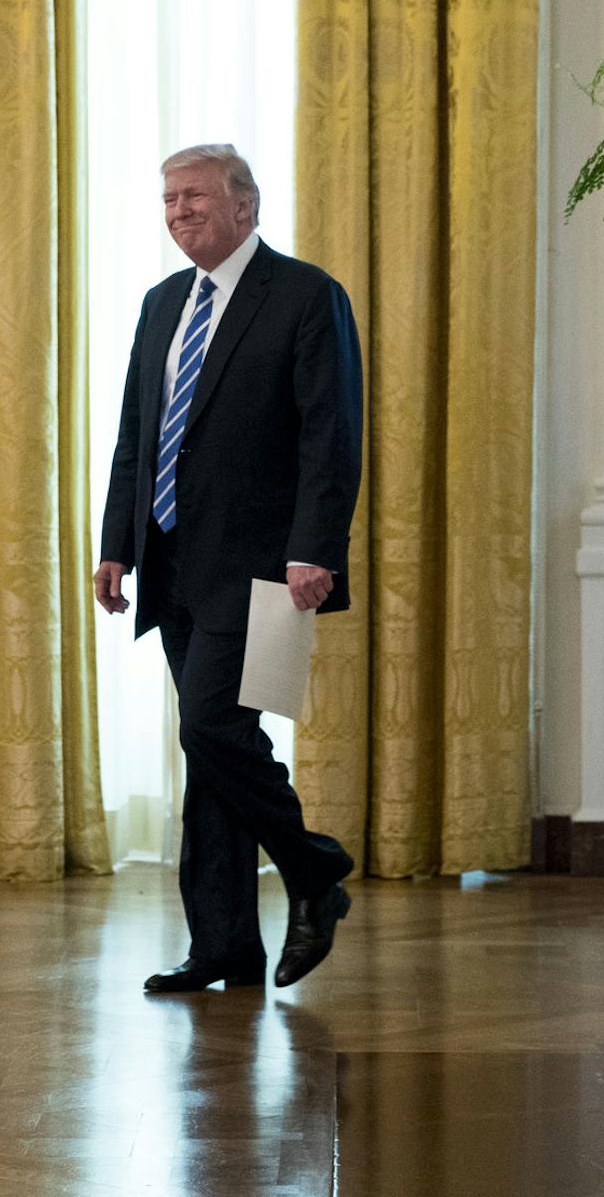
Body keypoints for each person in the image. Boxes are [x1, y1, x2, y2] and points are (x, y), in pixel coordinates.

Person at [95, 143, 364, 993]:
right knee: (213, 751)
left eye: (196, 196)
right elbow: (138, 434)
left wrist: (315, 547)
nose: (179, 211)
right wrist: (116, 542)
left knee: (211, 730)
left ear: (245, 206)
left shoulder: (306, 295)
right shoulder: (161, 303)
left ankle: (314, 869)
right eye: (169, 199)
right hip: (172, 560)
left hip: (262, 567)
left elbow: (331, 433)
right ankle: (223, 946)